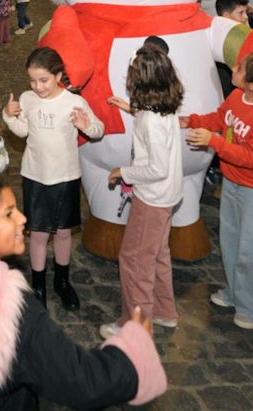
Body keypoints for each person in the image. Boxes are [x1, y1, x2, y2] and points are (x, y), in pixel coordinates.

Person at [0, 170, 167, 409]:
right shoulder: (11, 314)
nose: (23, 218)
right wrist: (133, 346)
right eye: (9, 213)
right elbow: (82, 381)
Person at [185, 53, 253, 329]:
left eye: (241, 69)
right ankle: (236, 293)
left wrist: (214, 142)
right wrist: (192, 121)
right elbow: (220, 119)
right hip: (232, 183)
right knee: (231, 243)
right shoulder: (236, 97)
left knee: (252, 252)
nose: (234, 68)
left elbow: (251, 157)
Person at [2, 47, 104, 310]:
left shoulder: (73, 102)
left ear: (58, 75)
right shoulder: (28, 99)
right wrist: (8, 116)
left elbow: (98, 129)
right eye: (33, 81)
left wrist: (87, 127)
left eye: (44, 80)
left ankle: (62, 280)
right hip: (35, 175)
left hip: (65, 176)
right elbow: (22, 131)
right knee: (37, 233)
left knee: (63, 232)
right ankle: (38, 285)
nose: (38, 87)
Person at [101, 46, 185, 338]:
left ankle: (135, 326)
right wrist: (130, 109)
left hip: (152, 198)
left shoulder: (150, 119)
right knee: (158, 254)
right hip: (168, 195)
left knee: (135, 260)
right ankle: (164, 310)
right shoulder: (165, 108)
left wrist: (124, 172)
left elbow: (156, 168)